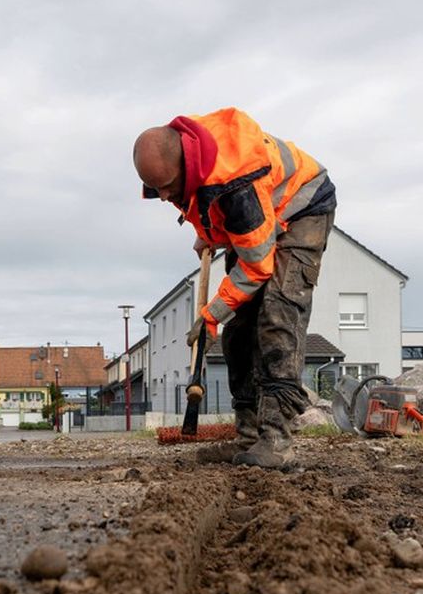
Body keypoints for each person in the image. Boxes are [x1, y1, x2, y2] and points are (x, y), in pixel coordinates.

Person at [133, 107, 336, 468]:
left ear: (183, 165)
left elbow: (258, 267)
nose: (163, 197)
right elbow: (202, 200)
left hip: (302, 209)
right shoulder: (191, 160)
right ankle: (248, 438)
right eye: (155, 189)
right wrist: (205, 233)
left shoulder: (235, 184)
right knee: (239, 331)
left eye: (166, 187)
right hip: (258, 215)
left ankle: (277, 441)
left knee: (277, 317)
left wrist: (211, 314)